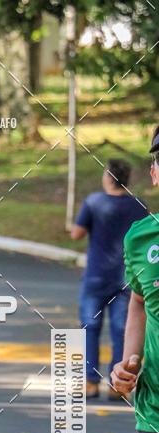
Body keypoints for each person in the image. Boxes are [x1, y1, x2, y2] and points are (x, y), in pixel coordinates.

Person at [111, 127, 159, 433]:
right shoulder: (140, 237)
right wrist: (129, 364)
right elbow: (140, 302)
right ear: (155, 173)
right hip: (154, 414)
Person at [71, 158, 147, 399]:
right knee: (121, 330)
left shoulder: (94, 202)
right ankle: (118, 385)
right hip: (126, 276)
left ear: (108, 177)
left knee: (89, 327)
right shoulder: (138, 205)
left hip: (96, 276)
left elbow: (76, 234)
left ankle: (90, 382)